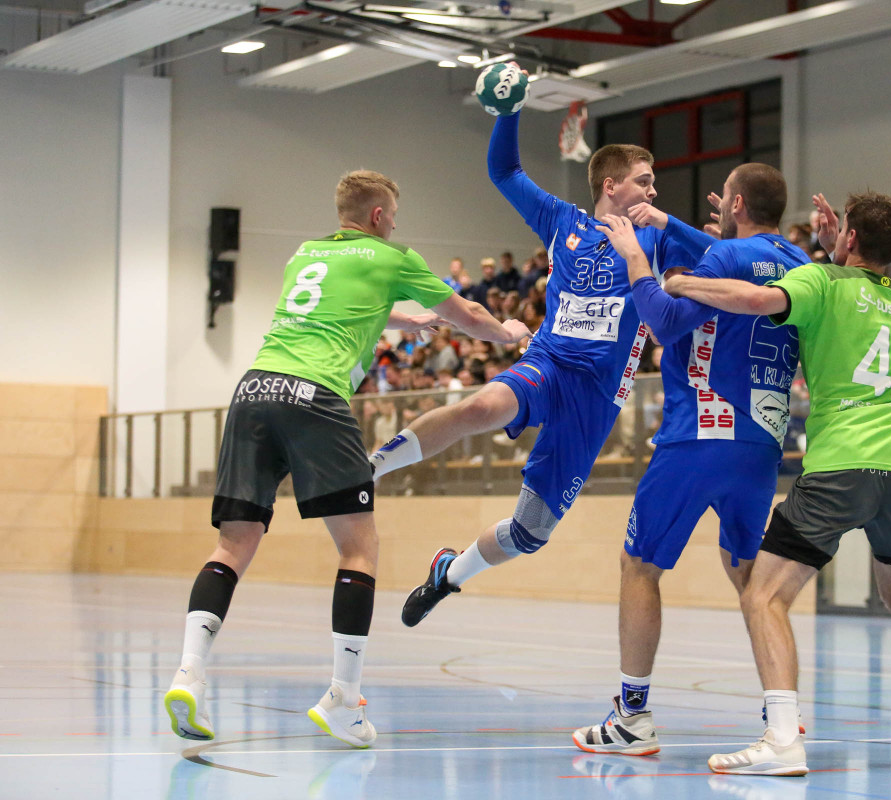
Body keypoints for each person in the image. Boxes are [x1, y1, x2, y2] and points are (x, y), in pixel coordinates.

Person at [161, 170, 531, 749]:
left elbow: (350, 309)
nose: (395, 227)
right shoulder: (393, 257)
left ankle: (188, 673)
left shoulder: (306, 254)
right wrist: (507, 333)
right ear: (380, 216)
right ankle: (343, 698)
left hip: (254, 391)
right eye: (394, 218)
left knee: (232, 544)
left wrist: (411, 318)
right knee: (359, 547)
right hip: (315, 396)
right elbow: (468, 316)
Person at [664, 190, 891, 775]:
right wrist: (835, 250)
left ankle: (782, 740)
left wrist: (683, 283)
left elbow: (757, 299)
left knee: (763, 595)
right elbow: (854, 290)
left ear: (851, 239)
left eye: (842, 230)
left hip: (843, 460)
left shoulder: (821, 281)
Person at [369, 93, 712, 628]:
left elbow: (717, 256)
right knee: (482, 406)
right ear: (610, 186)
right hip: (549, 362)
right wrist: (509, 111)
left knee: (530, 532)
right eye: (644, 181)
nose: (652, 190)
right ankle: (370, 468)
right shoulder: (561, 220)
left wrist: (665, 221)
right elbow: (504, 172)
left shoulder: (656, 238)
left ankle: (449, 574)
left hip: (595, 398)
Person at [570, 164, 810, 757]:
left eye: (724, 198)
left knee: (639, 565)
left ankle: (632, 718)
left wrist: (637, 258)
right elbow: (740, 260)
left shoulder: (722, 259)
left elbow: (662, 321)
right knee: (751, 576)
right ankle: (781, 711)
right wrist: (675, 225)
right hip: (763, 443)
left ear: (736, 204)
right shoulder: (800, 264)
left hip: (700, 434)